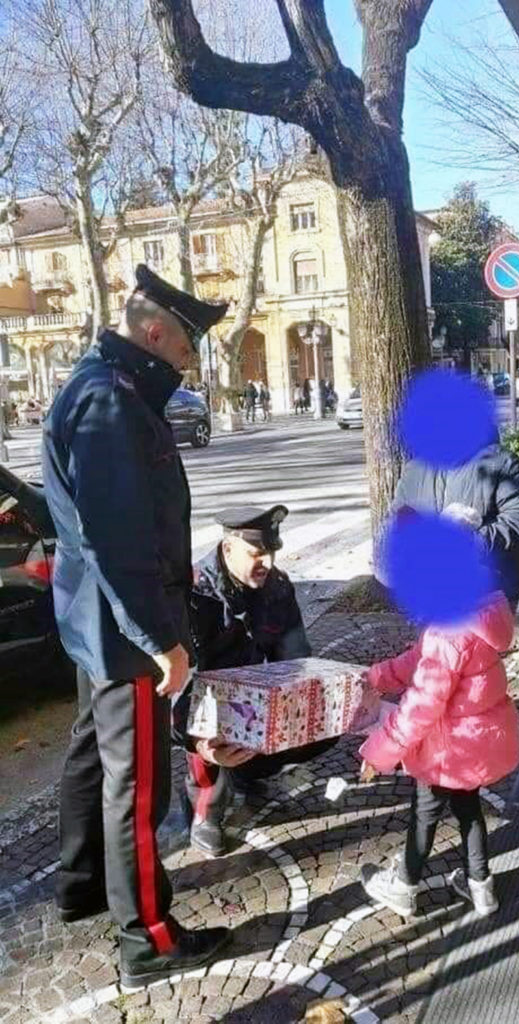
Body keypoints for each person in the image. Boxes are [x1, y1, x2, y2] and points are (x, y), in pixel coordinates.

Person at [42, 263, 231, 987]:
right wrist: (163, 643)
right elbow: (117, 540)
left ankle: (81, 883)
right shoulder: (110, 403)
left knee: (92, 754)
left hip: (96, 622)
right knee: (138, 786)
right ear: (155, 334)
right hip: (125, 634)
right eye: (185, 353)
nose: (187, 368)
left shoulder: (99, 387)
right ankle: (148, 937)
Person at [358, 505, 519, 918]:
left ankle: (404, 885)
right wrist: (379, 676)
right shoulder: (480, 612)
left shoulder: (448, 630)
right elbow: (422, 659)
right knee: (468, 810)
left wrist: (378, 752)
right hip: (473, 745)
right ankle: (481, 887)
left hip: (448, 748)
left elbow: (422, 703)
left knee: (425, 815)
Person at [173, 505, 335, 857]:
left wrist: (305, 707)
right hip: (207, 705)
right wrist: (198, 742)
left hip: (254, 698)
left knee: (324, 722)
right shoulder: (192, 596)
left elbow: (297, 658)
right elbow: (178, 688)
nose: (268, 563)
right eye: (257, 554)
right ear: (228, 548)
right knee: (206, 729)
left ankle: (247, 772)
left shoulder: (277, 586)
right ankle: (205, 811)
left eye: (272, 553)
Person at [390, 429, 519, 610]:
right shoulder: (415, 469)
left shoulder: (502, 463)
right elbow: (398, 518)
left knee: (478, 640)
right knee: (434, 639)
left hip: (490, 591)